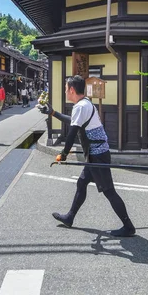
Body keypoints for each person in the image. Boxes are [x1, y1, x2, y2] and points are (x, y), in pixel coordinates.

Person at [39, 75, 136, 237]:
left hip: (97, 154)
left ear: (71, 89)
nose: (65, 92)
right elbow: (74, 121)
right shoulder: (85, 104)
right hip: (96, 153)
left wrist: (63, 154)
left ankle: (128, 226)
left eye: (65, 89)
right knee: (82, 182)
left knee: (109, 191)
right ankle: (70, 217)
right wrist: (53, 113)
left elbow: (71, 133)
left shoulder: (80, 107)